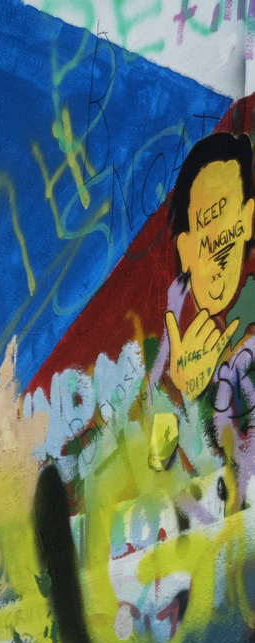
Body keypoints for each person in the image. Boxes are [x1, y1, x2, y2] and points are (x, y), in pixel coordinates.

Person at [151, 131, 255, 483]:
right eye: (207, 226)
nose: (219, 251)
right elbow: (157, 462)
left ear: (247, 219)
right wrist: (179, 390)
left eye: (229, 221)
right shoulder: (171, 339)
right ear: (185, 248)